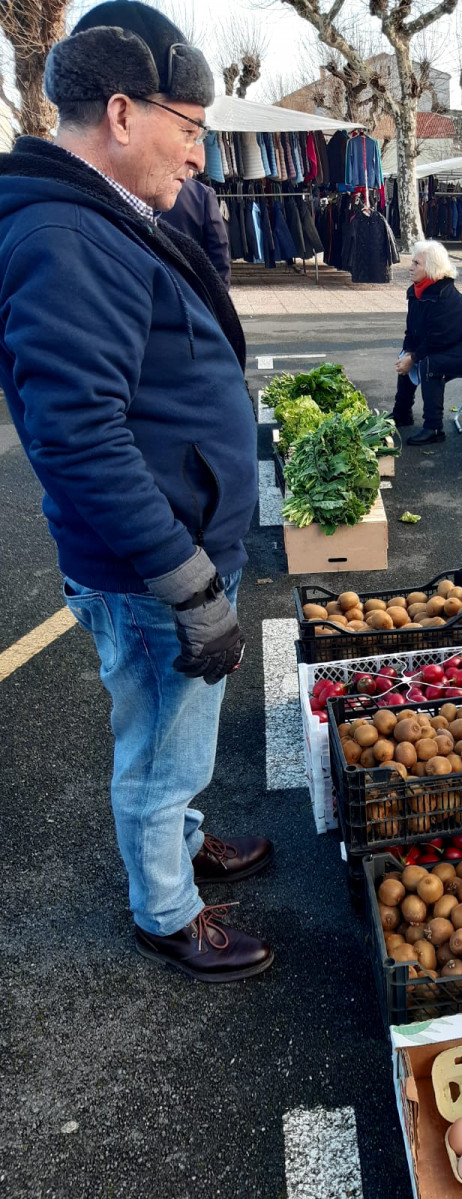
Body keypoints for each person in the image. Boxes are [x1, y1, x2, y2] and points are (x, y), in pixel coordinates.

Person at [0, 1, 273, 982]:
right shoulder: (67, 238)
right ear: (123, 113)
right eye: (190, 129)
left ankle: (181, 838)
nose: (199, 155)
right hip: (156, 566)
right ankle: (165, 910)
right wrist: (188, 583)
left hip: (180, 545)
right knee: (160, 746)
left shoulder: (108, 216)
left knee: (176, 738)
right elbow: (77, 434)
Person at [392, 240, 462, 445]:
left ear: (431, 268)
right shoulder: (417, 291)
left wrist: (414, 358)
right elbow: (412, 331)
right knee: (406, 356)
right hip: (450, 344)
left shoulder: (447, 297)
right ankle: (401, 414)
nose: (410, 267)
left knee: (430, 363)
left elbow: (440, 338)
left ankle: (434, 428)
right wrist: (408, 354)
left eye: (416, 263)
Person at [159, 173, 231, 287]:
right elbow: (219, 247)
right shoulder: (201, 193)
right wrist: (219, 293)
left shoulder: (136, 190)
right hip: (191, 285)